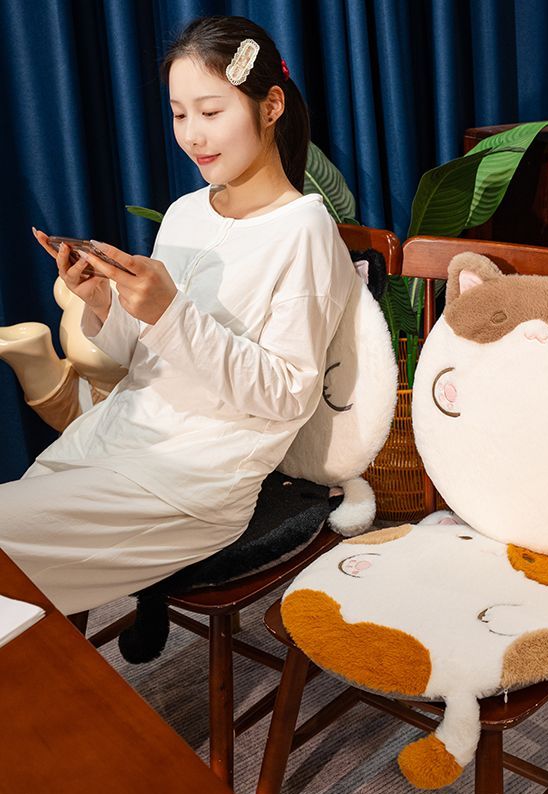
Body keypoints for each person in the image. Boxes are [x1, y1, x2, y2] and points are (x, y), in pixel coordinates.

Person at [0, 16, 355, 617]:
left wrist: (169, 313)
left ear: (271, 106)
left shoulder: (305, 231)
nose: (193, 135)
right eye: (179, 114)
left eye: (211, 112)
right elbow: (144, 358)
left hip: (194, 478)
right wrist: (103, 302)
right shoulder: (187, 212)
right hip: (115, 439)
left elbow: (288, 395)